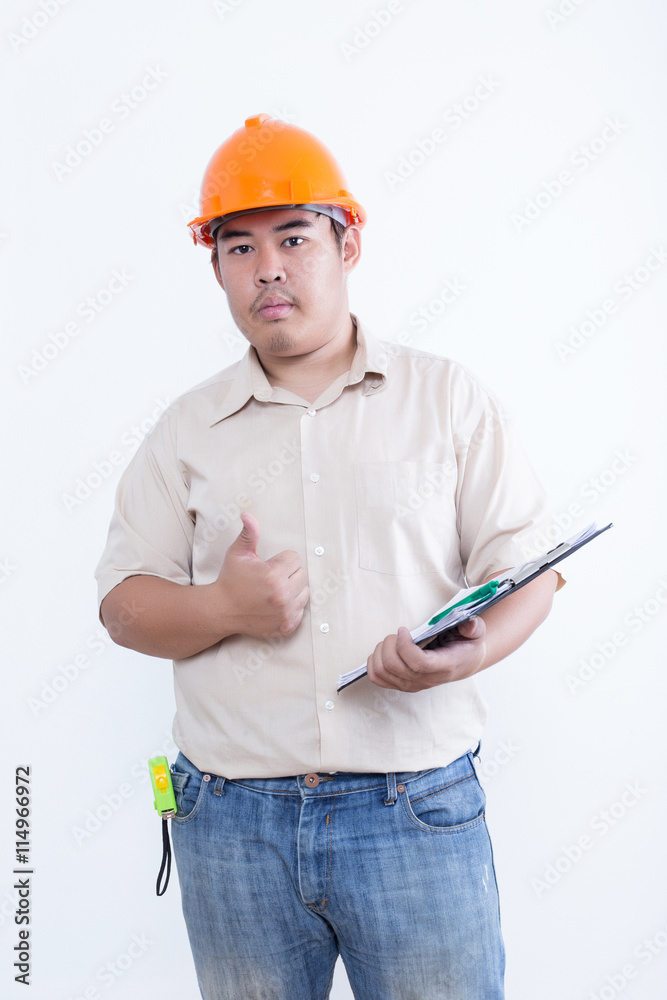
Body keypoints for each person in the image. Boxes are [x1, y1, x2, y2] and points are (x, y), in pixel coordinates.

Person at [95, 113, 561, 1000]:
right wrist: (225, 609)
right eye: (237, 247)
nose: (267, 267)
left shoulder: (446, 398)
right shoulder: (185, 430)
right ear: (217, 268)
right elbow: (122, 605)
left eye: (294, 237)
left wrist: (476, 649)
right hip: (229, 825)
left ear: (347, 246)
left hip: (412, 811)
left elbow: (532, 567)